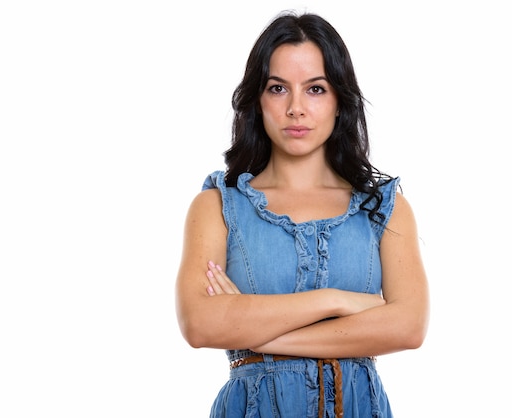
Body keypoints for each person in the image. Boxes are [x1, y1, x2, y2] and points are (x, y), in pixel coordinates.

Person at [175, 10, 429, 418]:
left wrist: (255, 333)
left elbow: (408, 327)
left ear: (339, 100)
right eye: (278, 88)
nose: (296, 108)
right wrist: (340, 301)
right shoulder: (218, 207)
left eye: (315, 89)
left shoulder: (382, 208)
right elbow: (201, 325)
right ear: (257, 100)